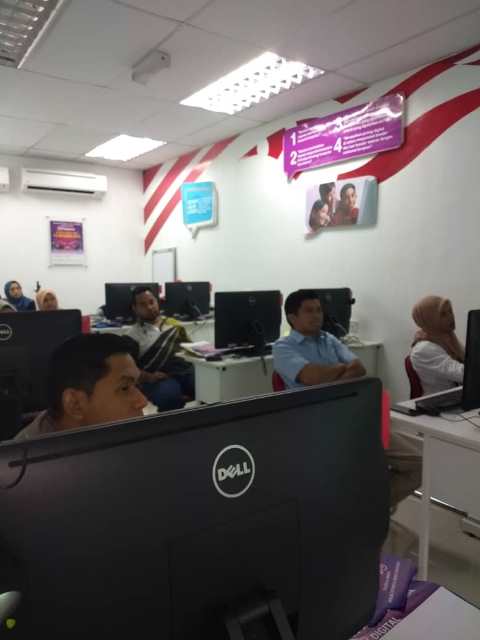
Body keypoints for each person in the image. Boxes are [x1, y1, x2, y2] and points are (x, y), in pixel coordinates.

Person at [273, 289, 422, 508]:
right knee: (375, 465)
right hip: (315, 425)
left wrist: (327, 377)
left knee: (418, 464)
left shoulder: (329, 339)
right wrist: (341, 368)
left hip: (352, 417)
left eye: (319, 310)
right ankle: (363, 508)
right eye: (309, 311)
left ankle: (369, 507)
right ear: (292, 317)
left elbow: (359, 368)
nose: (317, 315)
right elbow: (311, 376)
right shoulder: (282, 347)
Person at [14, 333, 148, 441]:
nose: (143, 401)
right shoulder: (28, 465)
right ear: (75, 404)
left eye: (137, 385)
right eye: (124, 388)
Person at [128, 286, 195, 412]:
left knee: (209, 383)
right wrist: (149, 377)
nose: (149, 307)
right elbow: (129, 369)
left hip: (184, 371)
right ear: (135, 308)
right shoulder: (132, 336)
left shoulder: (173, 324)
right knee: (169, 396)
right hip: (158, 378)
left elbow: (190, 349)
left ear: (157, 302)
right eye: (143, 304)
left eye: (151, 302)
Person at [410, 296, 464, 396]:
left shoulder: (448, 339)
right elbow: (464, 374)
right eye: (443, 314)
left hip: (459, 397)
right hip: (442, 402)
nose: (451, 317)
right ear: (429, 319)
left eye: (450, 311)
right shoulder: (423, 349)